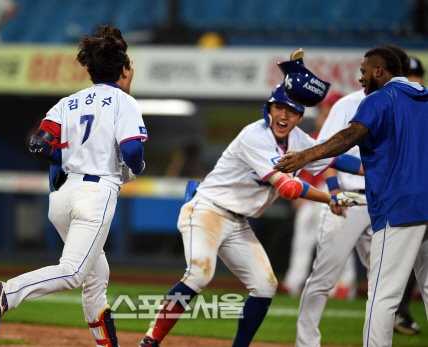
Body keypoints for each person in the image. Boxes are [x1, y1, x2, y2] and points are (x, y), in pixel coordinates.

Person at [138, 82, 366, 347]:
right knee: (200, 275)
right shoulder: (254, 136)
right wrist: (332, 198)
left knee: (265, 286)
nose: (283, 115)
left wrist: (378, 173)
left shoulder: (299, 140)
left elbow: (337, 159)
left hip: (238, 222)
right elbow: (289, 187)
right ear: (267, 109)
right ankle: (151, 340)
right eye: (278, 107)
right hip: (208, 210)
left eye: (291, 110)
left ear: (300, 117)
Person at [0, 25, 148, 347]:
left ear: (91, 68)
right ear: (124, 68)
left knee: (96, 278)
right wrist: (138, 167)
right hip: (95, 195)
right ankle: (8, 293)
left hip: (62, 196)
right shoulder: (124, 102)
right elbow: (131, 150)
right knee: (73, 273)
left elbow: (38, 145)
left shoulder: (67, 102)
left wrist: (69, 155)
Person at [274, 46, 428, 347]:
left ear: (379, 71)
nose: (360, 77)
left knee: (382, 292)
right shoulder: (422, 98)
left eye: (363, 70)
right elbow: (366, 159)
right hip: (408, 200)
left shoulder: (380, 98)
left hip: (397, 206)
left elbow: (348, 137)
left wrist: (306, 155)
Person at [282, 91, 358, 300]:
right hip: (314, 191)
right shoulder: (314, 136)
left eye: (328, 110)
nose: (323, 114)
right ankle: (294, 281)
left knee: (340, 235)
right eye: (323, 110)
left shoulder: (351, 135)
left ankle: (344, 283)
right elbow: (305, 168)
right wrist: (300, 193)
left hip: (341, 188)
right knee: (305, 238)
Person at [392, 55, 426, 335]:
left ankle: (399, 312)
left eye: (417, 75)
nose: (414, 80)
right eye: (408, 75)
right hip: (402, 200)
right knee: (395, 269)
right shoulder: (392, 106)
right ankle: (397, 313)